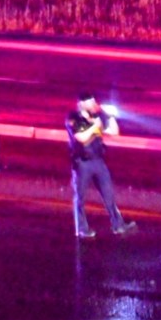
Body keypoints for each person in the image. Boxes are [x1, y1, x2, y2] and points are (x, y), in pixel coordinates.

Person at [66, 91, 137, 239]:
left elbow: (114, 132)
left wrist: (110, 116)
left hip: (99, 161)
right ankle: (82, 229)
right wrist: (95, 127)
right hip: (82, 163)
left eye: (94, 101)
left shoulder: (96, 118)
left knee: (108, 194)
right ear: (82, 104)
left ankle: (118, 225)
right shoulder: (73, 118)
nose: (94, 104)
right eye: (90, 102)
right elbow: (81, 139)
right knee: (80, 197)